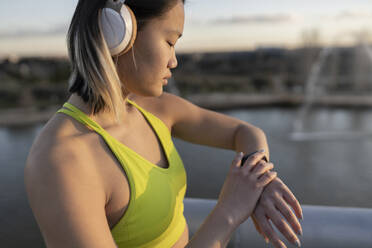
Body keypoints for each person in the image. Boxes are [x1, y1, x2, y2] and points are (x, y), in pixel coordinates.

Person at [24, 0, 303, 247]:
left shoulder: (154, 109)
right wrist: (229, 211)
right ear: (118, 31)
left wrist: (260, 177)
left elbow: (246, 133)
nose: (174, 61)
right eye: (170, 42)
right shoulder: (62, 161)